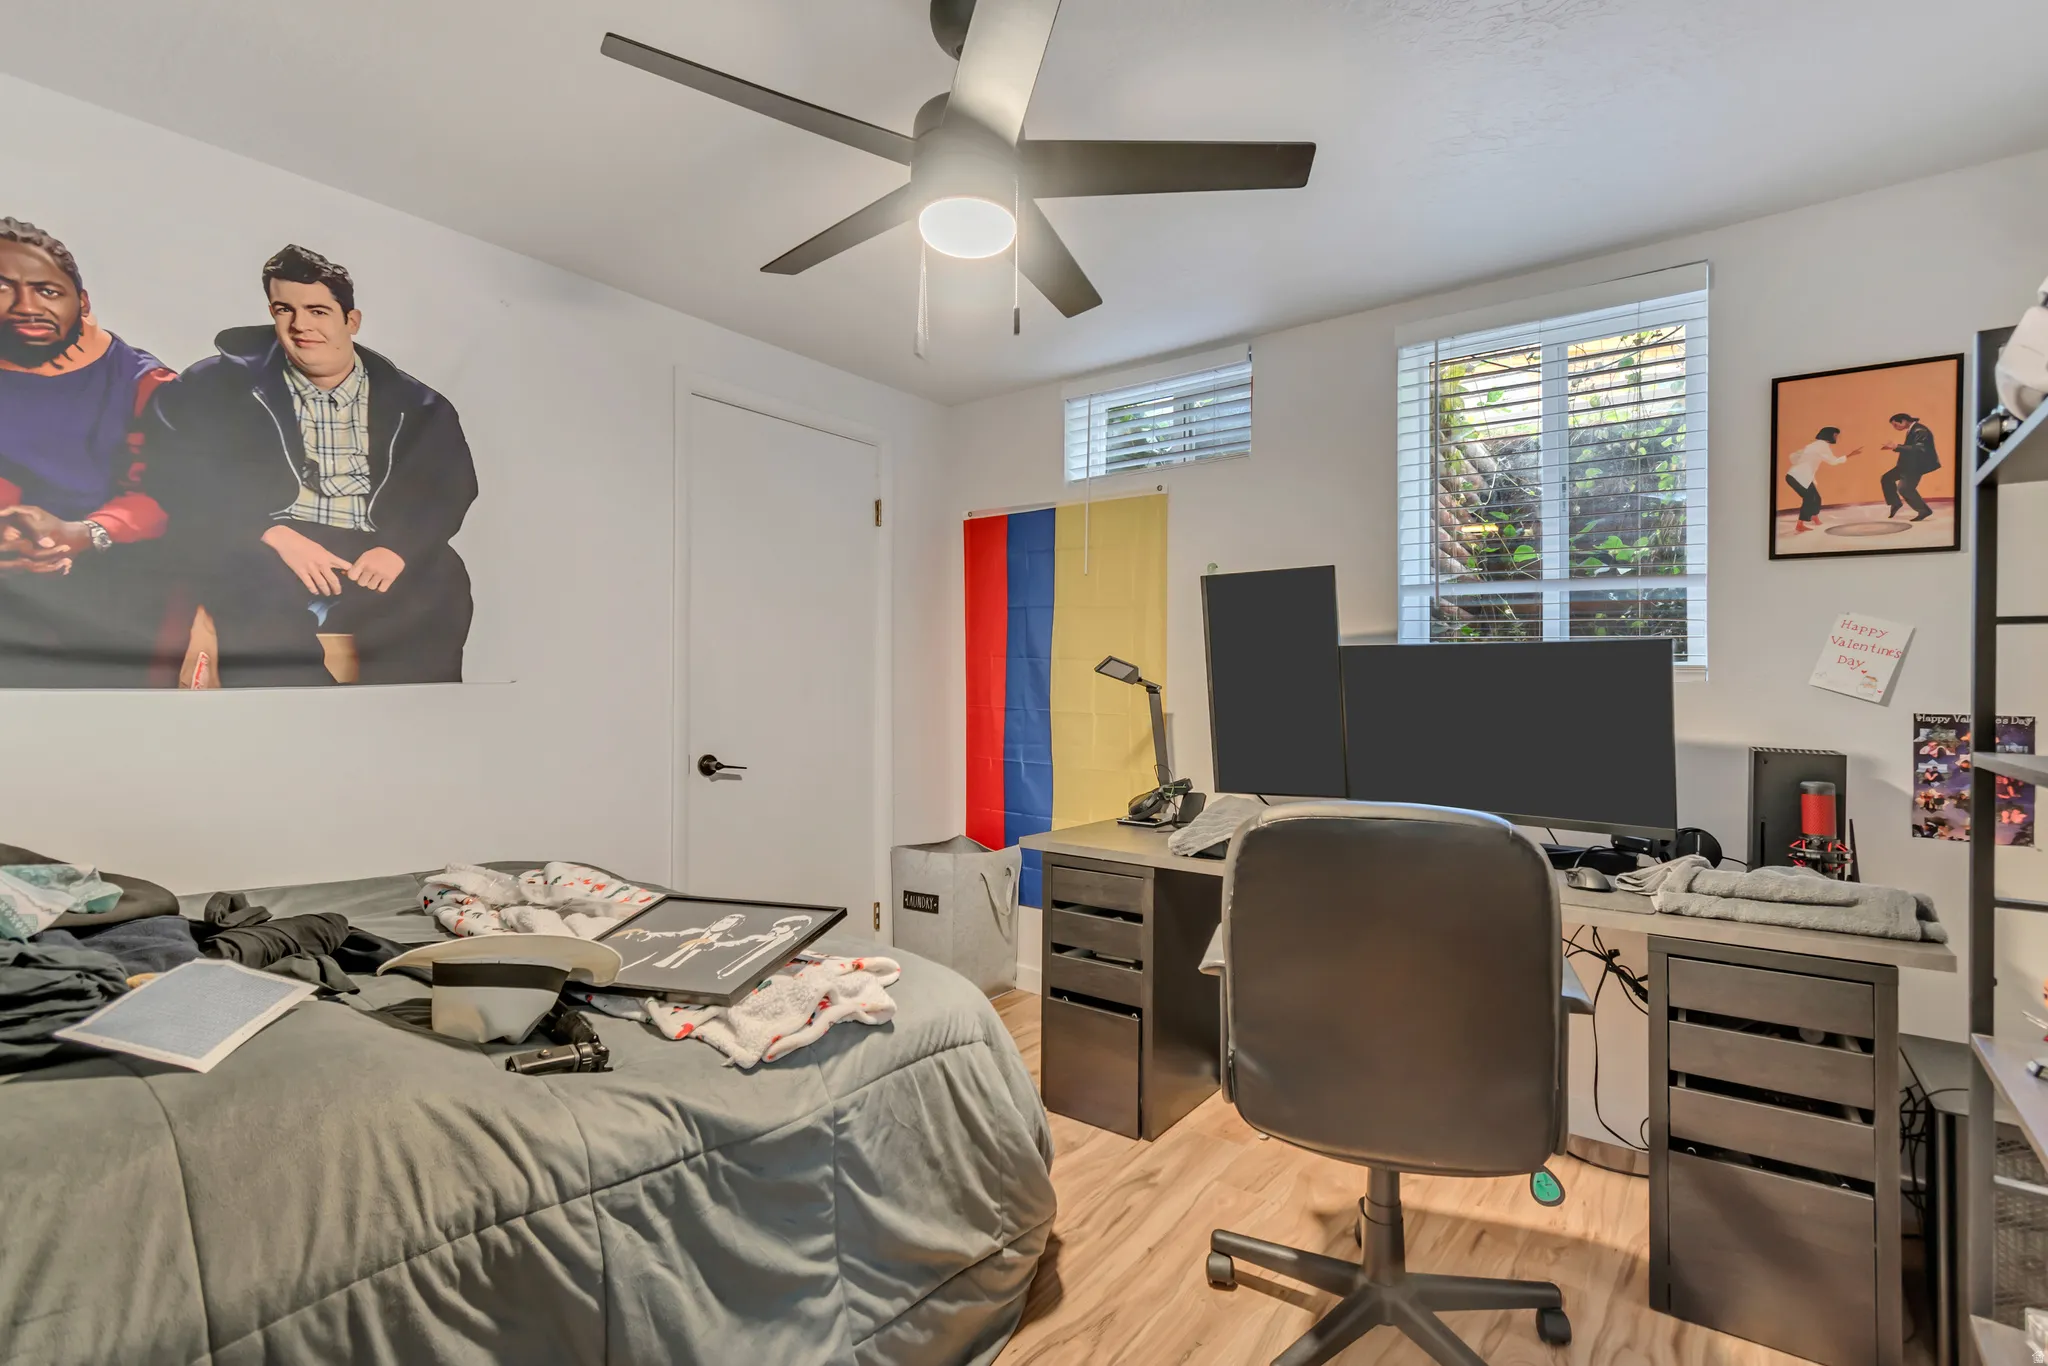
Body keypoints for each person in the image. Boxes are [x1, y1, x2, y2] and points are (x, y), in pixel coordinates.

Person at [148, 245, 477, 686]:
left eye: (318, 311)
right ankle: (300, 726)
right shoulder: (213, 386)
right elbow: (174, 471)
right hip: (267, 539)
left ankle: (412, 723)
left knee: (441, 582)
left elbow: (448, 488)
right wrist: (270, 534)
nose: (301, 326)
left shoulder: (417, 405)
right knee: (251, 587)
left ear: (350, 321)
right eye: (285, 309)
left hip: (373, 542)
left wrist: (397, 548)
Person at [0, 218, 179, 686]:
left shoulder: (150, 385)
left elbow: (171, 494)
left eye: (47, 291)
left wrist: (83, 533)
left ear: (82, 302)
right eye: (2, 288)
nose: (26, 307)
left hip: (118, 586)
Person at [1781, 425, 1859, 533]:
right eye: (1835, 435)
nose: (1837, 438)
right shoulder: (1822, 446)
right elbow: (1833, 462)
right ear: (1829, 435)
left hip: (1797, 476)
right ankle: (1800, 524)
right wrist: (1850, 455)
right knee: (1809, 498)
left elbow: (1793, 456)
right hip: (1798, 477)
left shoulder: (1813, 445)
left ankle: (1814, 518)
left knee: (1816, 498)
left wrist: (1804, 462)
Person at [1880, 411, 1941, 522]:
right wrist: (1895, 447)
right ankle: (1895, 503)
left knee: (1904, 489)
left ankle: (1924, 510)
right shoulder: (1913, 429)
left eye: (1895, 425)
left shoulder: (1920, 430)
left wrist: (1896, 446)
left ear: (1903, 421)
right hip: (1906, 465)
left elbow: (1919, 449)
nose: (1895, 427)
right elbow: (1912, 447)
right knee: (1887, 478)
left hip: (1915, 466)